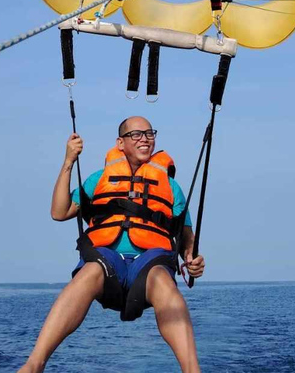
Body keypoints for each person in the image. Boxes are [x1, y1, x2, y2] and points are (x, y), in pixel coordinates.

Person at [18, 116, 206, 373]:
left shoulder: (171, 187)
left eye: (149, 133)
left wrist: (191, 258)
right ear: (120, 143)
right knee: (90, 271)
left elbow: (186, 237)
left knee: (163, 280)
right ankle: (33, 365)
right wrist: (68, 162)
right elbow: (59, 212)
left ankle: (192, 370)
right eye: (136, 134)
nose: (145, 139)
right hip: (107, 261)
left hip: (150, 263)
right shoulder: (99, 180)